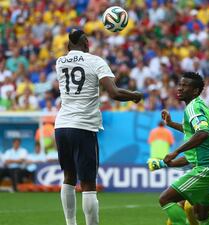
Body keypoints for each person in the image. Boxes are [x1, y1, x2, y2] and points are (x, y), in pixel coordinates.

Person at [54, 29, 142, 225]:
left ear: (69, 46)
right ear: (86, 43)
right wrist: (135, 95)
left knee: (68, 176)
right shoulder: (95, 61)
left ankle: (70, 223)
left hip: (61, 125)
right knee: (88, 183)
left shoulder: (60, 62)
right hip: (83, 126)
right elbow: (114, 93)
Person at [158, 72, 209, 225]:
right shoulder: (199, 105)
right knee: (201, 214)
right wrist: (171, 124)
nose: (180, 88)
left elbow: (202, 133)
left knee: (165, 199)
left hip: (208, 167)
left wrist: (176, 151)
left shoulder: (192, 108)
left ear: (195, 91)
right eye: (180, 85)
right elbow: (193, 130)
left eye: (185, 86)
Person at [148, 131, 209, 225]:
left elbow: (188, 159)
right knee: (182, 205)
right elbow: (191, 158)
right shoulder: (202, 133)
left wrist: (166, 160)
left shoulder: (205, 135)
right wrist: (170, 123)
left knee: (191, 208)